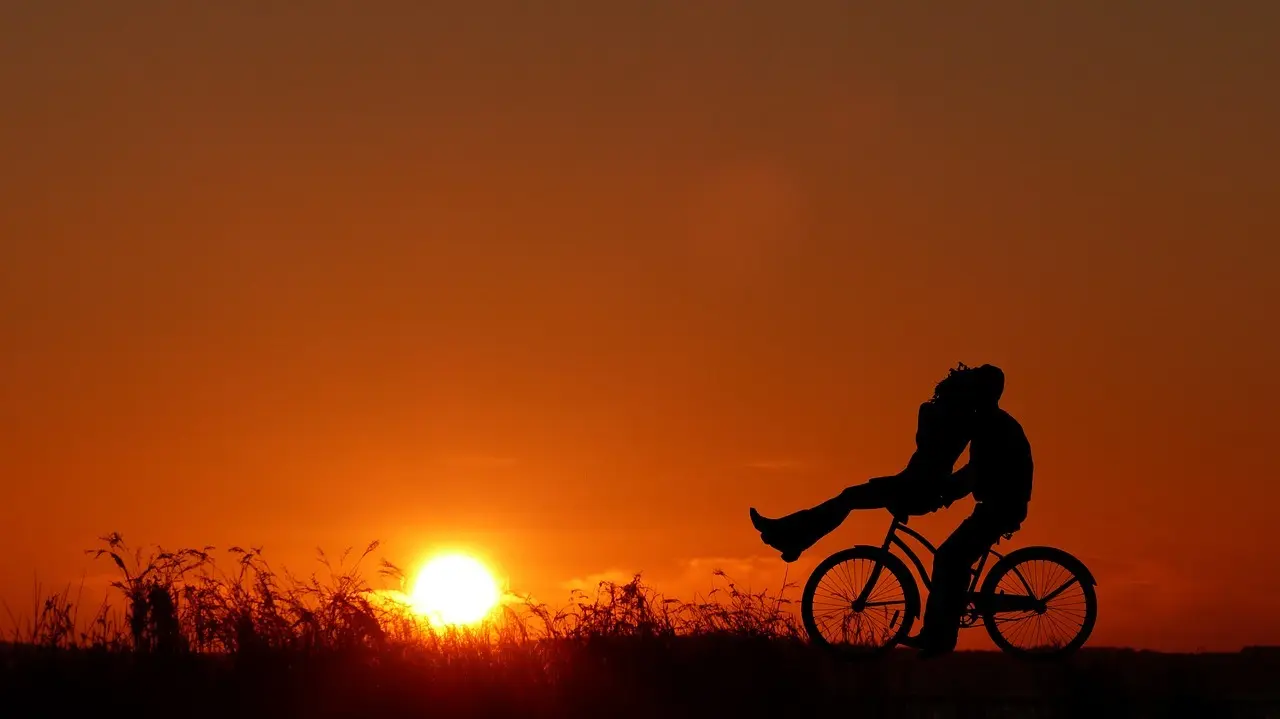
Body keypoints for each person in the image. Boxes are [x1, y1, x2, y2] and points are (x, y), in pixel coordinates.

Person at [748, 363, 980, 562]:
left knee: (848, 497)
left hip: (914, 488)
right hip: (914, 485)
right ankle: (791, 536)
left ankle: (791, 536)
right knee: (847, 498)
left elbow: (927, 436)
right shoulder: (964, 422)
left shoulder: (947, 418)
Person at [906, 364, 1033, 657]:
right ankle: (941, 631)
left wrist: (944, 492)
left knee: (948, 558)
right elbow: (974, 473)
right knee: (955, 560)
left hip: (1000, 507)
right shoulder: (995, 423)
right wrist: (948, 491)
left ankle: (938, 638)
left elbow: (975, 473)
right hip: (1000, 504)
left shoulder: (992, 426)